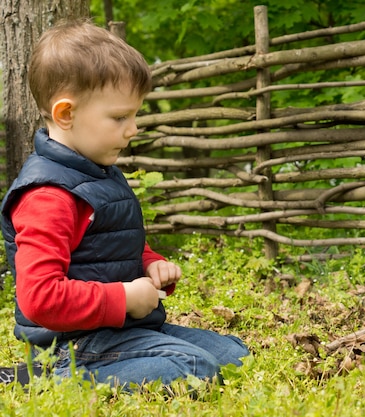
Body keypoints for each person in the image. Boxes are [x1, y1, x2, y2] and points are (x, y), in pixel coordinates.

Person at [0, 19, 249, 389]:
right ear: (66, 114)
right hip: (73, 343)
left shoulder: (98, 171)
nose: (132, 129)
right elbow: (39, 297)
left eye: (134, 115)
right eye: (119, 118)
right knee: (196, 370)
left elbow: (111, 242)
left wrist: (151, 264)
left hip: (118, 329)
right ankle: (50, 377)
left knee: (236, 356)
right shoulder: (48, 196)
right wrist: (121, 298)